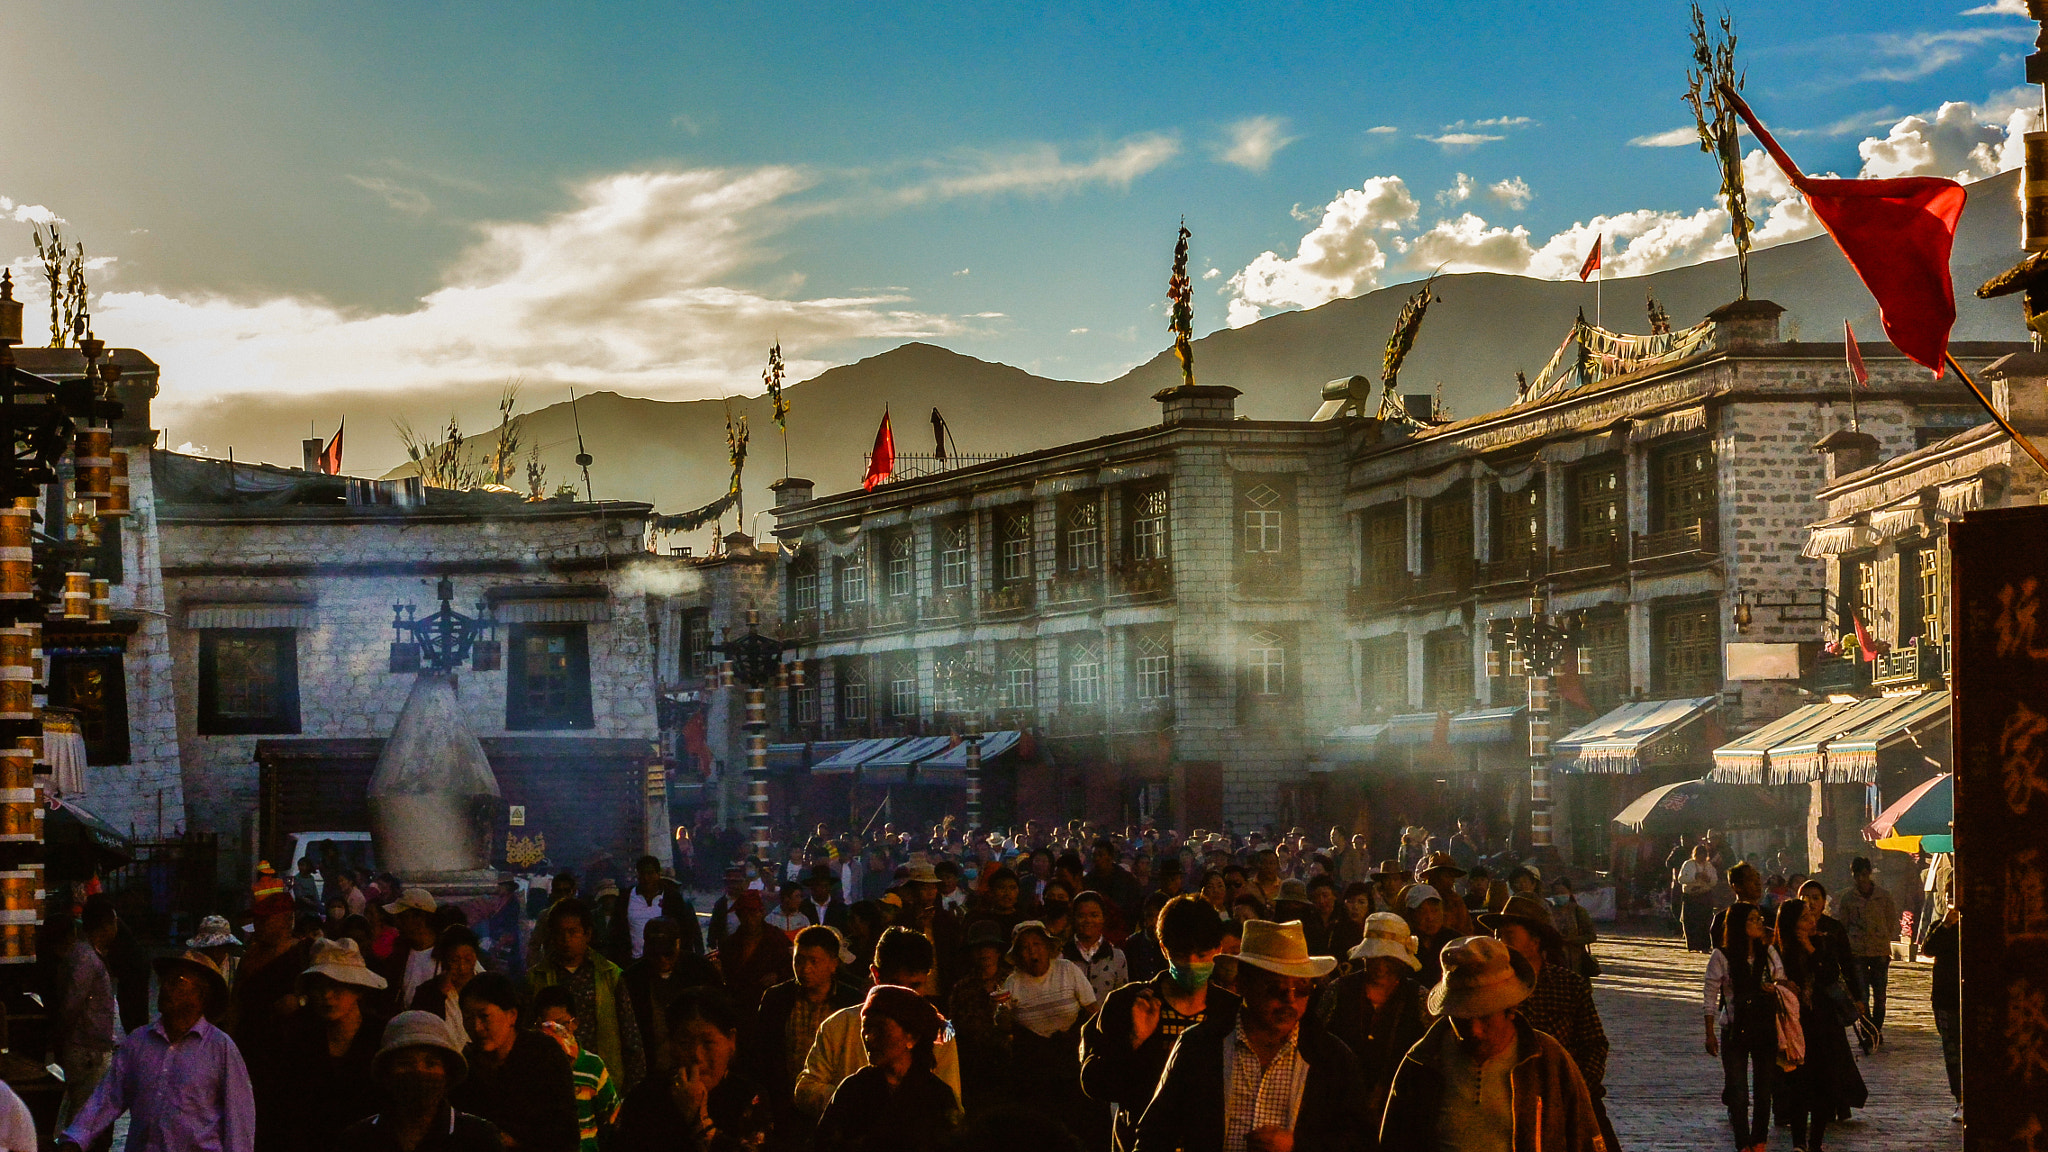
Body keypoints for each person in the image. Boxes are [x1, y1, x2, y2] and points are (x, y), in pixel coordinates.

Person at [1130, 920, 1361, 1152]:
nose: (1290, 999)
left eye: (1301, 988)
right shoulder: (1200, 1046)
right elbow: (1154, 1134)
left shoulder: (1331, 1059)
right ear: (1243, 984)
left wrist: (1298, 1145)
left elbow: (1360, 1141)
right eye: (1276, 987)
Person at [1380, 936, 1604, 1152]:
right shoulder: (1422, 1061)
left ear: (1511, 1010)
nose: (1474, 1031)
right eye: (1462, 1019)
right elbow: (1393, 1142)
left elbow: (1585, 1139)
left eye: (1485, 1017)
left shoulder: (1548, 1061)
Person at [1081, 896, 1240, 1152]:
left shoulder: (1230, 1012)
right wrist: (1132, 1042)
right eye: (1181, 954)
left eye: (1201, 955)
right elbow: (1095, 1084)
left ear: (1218, 950)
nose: (1191, 963)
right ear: (1164, 949)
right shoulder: (1127, 1004)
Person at [58, 951, 254, 1152]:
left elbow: (239, 1122)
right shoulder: (138, 1043)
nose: (166, 988)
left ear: (201, 996)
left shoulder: (221, 1049)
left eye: (178, 981)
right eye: (164, 980)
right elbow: (106, 1099)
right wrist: (75, 1138)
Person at [1480, 895, 1617, 1151]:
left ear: (1535, 941)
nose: (1501, 944)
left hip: (1567, 1098)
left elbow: (1594, 1044)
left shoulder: (1569, 986)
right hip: (1504, 1102)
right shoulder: (1489, 989)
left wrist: (1577, 1090)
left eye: (1509, 936)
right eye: (1498, 937)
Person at [794, 927, 961, 1120]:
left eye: (915, 986)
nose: (903, 995)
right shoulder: (839, 1026)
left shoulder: (938, 1032)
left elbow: (952, 1109)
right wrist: (854, 1102)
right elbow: (806, 1089)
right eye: (895, 984)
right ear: (875, 974)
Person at [252, 938, 391, 1152]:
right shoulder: (296, 1040)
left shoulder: (383, 1038)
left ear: (359, 989)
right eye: (319, 987)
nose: (327, 995)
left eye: (337, 985)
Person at [611, 988, 769, 1152]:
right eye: (685, 1042)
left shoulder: (749, 1098)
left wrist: (698, 1121)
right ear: (672, 1045)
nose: (697, 1055)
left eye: (708, 1042)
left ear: (731, 1040)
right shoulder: (646, 1098)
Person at [1317, 913, 1427, 1147]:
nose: (1379, 965)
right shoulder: (1339, 991)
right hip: (1338, 1113)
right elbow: (1315, 1045)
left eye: (1387, 958)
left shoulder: (1418, 998)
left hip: (1401, 1116)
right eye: (1373, 956)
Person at [749, 924, 861, 1143]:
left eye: (813, 961)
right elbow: (761, 1052)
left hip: (832, 1108)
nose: (804, 969)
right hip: (783, 1107)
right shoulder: (776, 998)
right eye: (799, 960)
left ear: (833, 964)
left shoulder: (852, 1003)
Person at [813, 986, 961, 1152]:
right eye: (866, 1027)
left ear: (911, 1036)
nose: (869, 1037)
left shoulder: (936, 1096)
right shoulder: (854, 1089)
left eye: (880, 1028)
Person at [332, 1011, 503, 1152]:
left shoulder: (479, 1138)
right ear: (387, 1073)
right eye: (405, 1063)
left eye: (431, 1063)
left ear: (447, 1073)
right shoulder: (357, 1140)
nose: (418, 1072)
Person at [1774, 900, 1866, 1152]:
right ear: (1791, 924)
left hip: (1825, 1024)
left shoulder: (1823, 943)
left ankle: (1815, 1142)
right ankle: (1799, 1143)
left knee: (1824, 1084)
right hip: (1796, 1025)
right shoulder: (1779, 951)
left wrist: (1810, 947)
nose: (1812, 921)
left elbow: (1830, 975)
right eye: (1804, 918)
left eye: (1812, 915)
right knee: (1799, 1085)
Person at [453, 973, 579, 1152]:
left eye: (484, 1016)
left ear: (512, 1015)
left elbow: (565, 1134)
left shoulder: (544, 1055)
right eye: (468, 1018)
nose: (476, 1027)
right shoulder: (467, 1067)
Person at [528, 898, 644, 1091]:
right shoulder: (537, 978)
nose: (566, 940)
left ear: (587, 934)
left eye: (573, 932)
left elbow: (630, 1035)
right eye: (559, 933)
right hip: (553, 1082)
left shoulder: (609, 975)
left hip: (604, 1081)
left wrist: (634, 1088)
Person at [1703, 902, 1783, 1152]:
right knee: (1738, 1091)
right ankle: (1742, 1143)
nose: (1759, 923)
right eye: (1752, 919)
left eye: (1759, 919)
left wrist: (1775, 987)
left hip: (1764, 1025)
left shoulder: (1768, 952)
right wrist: (1709, 1033)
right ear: (1739, 925)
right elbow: (1711, 995)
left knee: (1764, 1089)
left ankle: (1759, 1140)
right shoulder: (1722, 956)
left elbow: (1782, 979)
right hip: (1734, 1027)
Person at [56, 899, 122, 1135]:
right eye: (114, 922)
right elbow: (72, 1003)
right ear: (105, 926)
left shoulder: (88, 955)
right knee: (82, 1117)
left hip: (90, 1047)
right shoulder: (86, 958)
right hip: (86, 1050)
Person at [533, 986, 622, 1152]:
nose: (555, 1032)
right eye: (548, 1026)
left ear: (575, 1024)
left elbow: (614, 1117)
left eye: (561, 1024)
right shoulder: (531, 1067)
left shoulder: (592, 1066)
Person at [1829, 857, 1898, 1054]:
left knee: (1881, 995)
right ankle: (1868, 1031)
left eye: (1864, 874)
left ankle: (1876, 1028)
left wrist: (1883, 935)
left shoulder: (1883, 896)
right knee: (1862, 995)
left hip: (1879, 950)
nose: (1861, 879)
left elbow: (1891, 919)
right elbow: (1843, 923)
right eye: (1857, 875)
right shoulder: (1848, 898)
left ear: (1869, 873)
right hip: (1857, 951)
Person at [612, 856, 702, 961]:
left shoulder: (673, 899)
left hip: (665, 962)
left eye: (650, 873)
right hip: (633, 962)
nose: (646, 878)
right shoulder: (625, 899)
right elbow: (616, 932)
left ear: (658, 874)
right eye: (642, 874)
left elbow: (685, 933)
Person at [714, 890, 792, 1012]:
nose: (749, 919)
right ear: (739, 916)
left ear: (762, 912)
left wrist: (778, 975)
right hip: (739, 1005)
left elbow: (791, 966)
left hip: (770, 1004)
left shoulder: (776, 938)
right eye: (744, 914)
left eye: (752, 913)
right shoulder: (730, 944)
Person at [408, 926, 483, 1048]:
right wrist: (439, 995)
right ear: (444, 960)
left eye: (468, 960)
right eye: (455, 960)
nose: (462, 967)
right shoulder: (427, 992)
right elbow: (421, 1031)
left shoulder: (487, 988)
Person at [1921, 902, 1961, 1123]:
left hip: (1972, 999)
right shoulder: (1940, 926)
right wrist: (1946, 925)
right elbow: (1927, 949)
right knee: (1952, 1052)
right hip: (1945, 998)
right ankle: (1960, 1098)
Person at [1064, 892, 1129, 1003]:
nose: (1088, 920)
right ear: (1073, 918)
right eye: (1081, 916)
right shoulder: (1062, 955)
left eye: (1094, 915)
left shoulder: (1116, 956)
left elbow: (1122, 999)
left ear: (1103, 918)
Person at [1398, 884, 1453, 989]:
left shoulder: (1454, 941)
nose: (1430, 918)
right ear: (1411, 915)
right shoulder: (1402, 944)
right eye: (1422, 911)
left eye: (1435, 910)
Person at [1548, 878, 1598, 976]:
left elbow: (1591, 936)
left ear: (1570, 892)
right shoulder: (1549, 912)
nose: (1559, 895)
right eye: (1556, 893)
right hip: (1555, 963)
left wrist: (1573, 939)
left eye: (1562, 892)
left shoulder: (1578, 911)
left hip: (1576, 963)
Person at [1679, 845, 1718, 953]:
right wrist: (1695, 877)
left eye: (1703, 855)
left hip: (1704, 895)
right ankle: (1693, 945)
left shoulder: (1709, 866)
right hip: (1691, 896)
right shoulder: (1688, 865)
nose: (1701, 858)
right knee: (1691, 921)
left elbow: (1714, 881)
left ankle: (1705, 945)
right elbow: (1681, 879)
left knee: (1705, 921)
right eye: (1699, 855)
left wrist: (1708, 879)